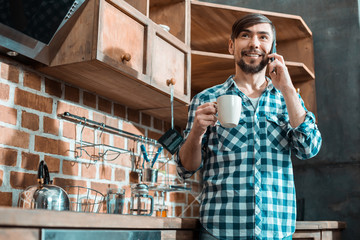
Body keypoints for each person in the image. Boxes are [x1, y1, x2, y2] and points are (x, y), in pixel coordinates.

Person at [175, 13, 322, 240]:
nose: (254, 43)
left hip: (276, 231)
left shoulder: (288, 99)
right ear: (231, 45)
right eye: (245, 35)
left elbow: (308, 148)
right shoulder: (206, 99)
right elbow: (186, 168)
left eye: (263, 37)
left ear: (272, 48)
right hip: (220, 231)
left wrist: (289, 88)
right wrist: (196, 132)